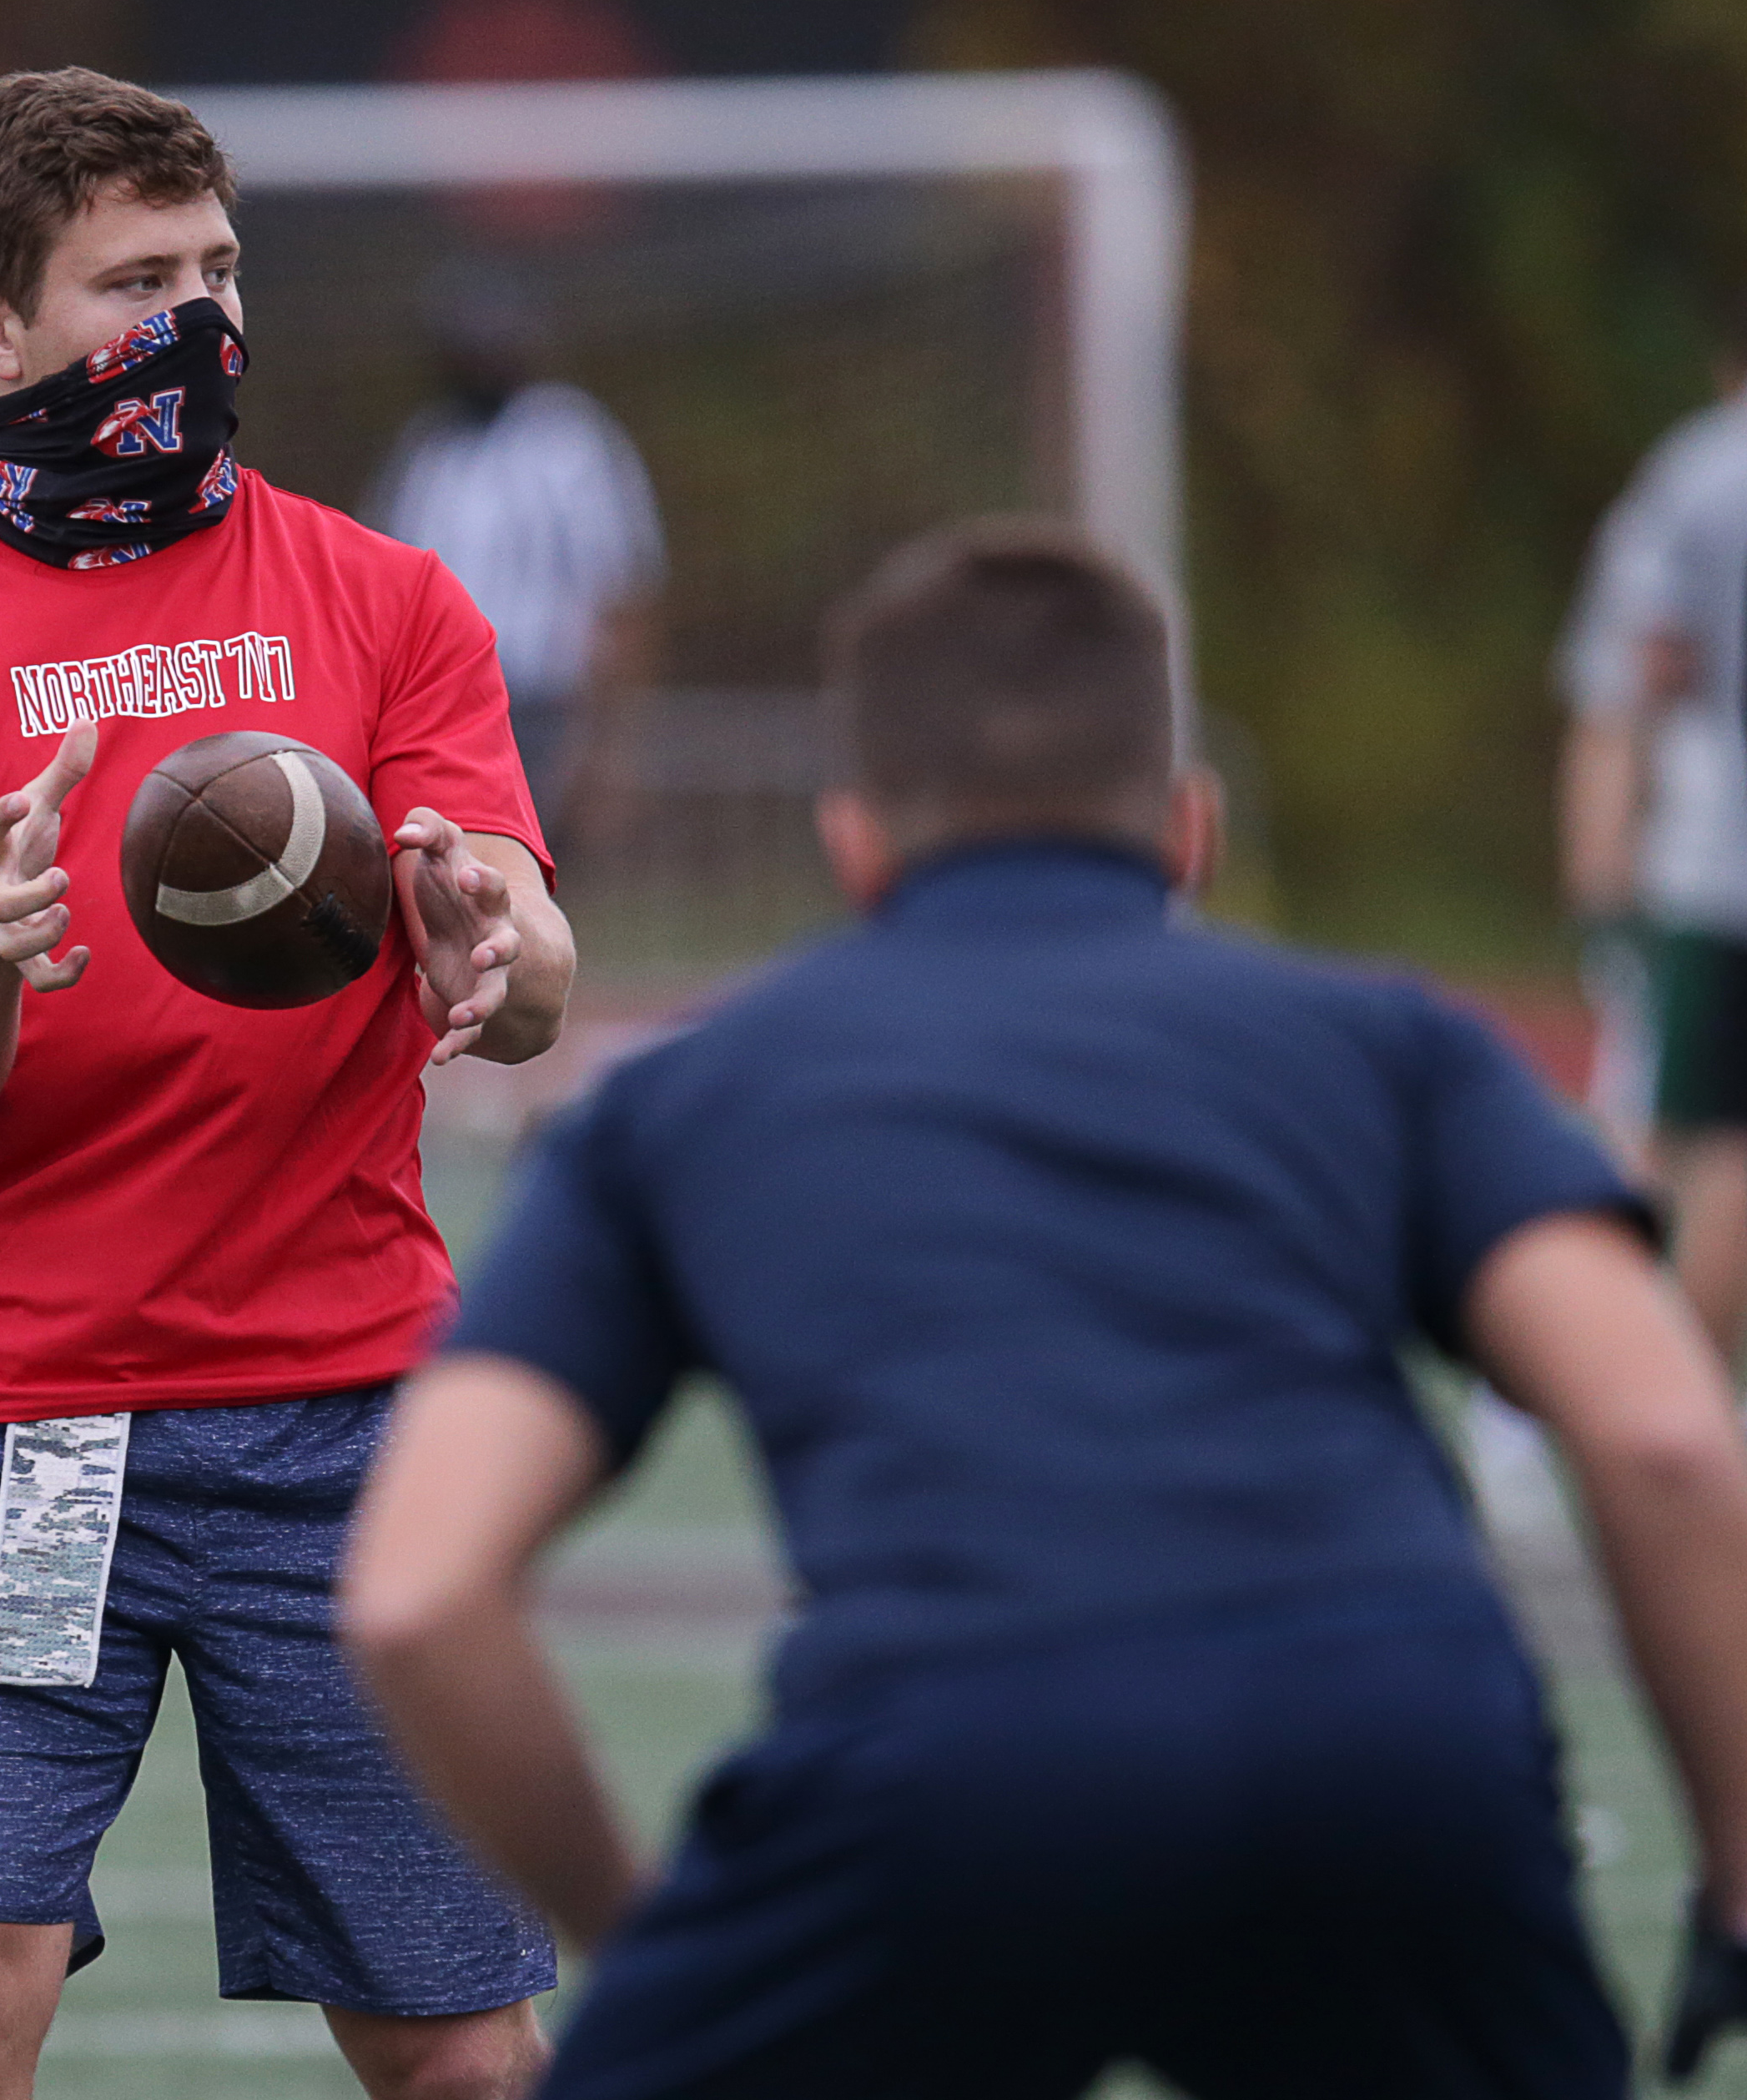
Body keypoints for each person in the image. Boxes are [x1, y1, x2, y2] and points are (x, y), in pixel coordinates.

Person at [344, 521, 1747, 2097]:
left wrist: (648, 1926)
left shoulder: (682, 1103)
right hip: (1386, 1747)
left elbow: (417, 1589)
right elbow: (1666, 1431)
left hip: (944, 1770)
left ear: (852, 841)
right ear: (1192, 828)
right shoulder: (1391, 1045)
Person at [0, 67, 578, 2100]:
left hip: (349, 1415)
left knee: (459, 2044)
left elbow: (539, 975)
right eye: (134, 282)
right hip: (18, 1426)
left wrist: (492, 934)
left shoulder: (385, 598)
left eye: (216, 271)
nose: (193, 322)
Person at [1558, 316, 1747, 1364]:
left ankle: (1616, 1380)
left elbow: (1626, 687)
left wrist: (1598, 863)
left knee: (1661, 1139)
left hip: (1711, 869)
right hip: (1715, 865)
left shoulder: (1700, 477)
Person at [370, 269, 665, 849]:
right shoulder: (429, 451)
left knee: (534, 877)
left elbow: (623, 591)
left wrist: (607, 742)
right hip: (439, 702)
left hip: (540, 705)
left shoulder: (568, 441)